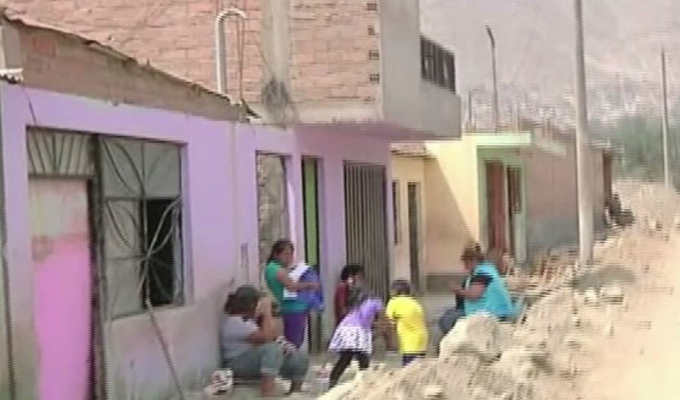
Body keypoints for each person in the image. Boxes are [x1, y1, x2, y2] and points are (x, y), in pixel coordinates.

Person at [221, 286, 310, 397]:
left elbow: (274, 336)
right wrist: (266, 312)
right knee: (272, 349)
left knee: (299, 355)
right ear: (252, 305)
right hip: (238, 364)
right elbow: (267, 338)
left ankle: (295, 393)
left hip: (257, 360)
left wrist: (284, 346)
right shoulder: (235, 321)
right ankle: (268, 394)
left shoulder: (250, 321)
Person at [438, 244, 515, 334]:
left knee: (447, 320)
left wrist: (457, 289)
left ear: (473, 260)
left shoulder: (483, 273)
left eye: (466, 263)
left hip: (491, 314)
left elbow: (474, 295)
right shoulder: (485, 270)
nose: (465, 266)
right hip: (486, 311)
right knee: (449, 313)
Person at [264, 240, 319, 348]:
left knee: (295, 341)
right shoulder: (274, 268)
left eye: (291, 254)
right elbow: (291, 286)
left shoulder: (277, 268)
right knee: (293, 342)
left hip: (296, 307)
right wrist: (310, 285)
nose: (289, 258)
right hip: (293, 308)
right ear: (276, 254)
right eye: (285, 254)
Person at [327, 286, 385, 388]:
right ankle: (366, 383)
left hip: (345, 328)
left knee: (345, 358)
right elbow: (382, 320)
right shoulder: (377, 302)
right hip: (358, 330)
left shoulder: (357, 304)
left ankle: (332, 381)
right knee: (363, 358)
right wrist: (378, 333)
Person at [386, 280, 429, 366]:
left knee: (408, 369)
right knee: (419, 368)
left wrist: (390, 344)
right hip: (422, 340)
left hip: (409, 342)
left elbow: (388, 323)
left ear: (395, 291)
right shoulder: (414, 302)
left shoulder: (395, 302)